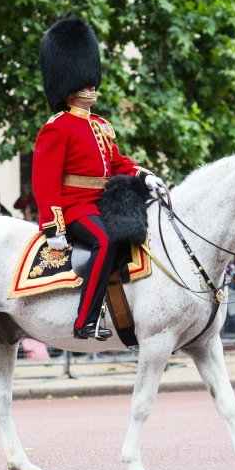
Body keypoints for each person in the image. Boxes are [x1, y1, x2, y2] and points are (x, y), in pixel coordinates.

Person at [32, 17, 164, 340]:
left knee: (131, 238)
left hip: (101, 203)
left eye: (92, 81)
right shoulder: (58, 126)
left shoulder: (101, 125)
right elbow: (44, 179)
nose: (92, 86)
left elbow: (118, 162)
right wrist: (53, 226)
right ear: (67, 86)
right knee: (103, 240)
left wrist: (143, 177)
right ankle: (84, 321)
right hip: (75, 207)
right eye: (85, 82)